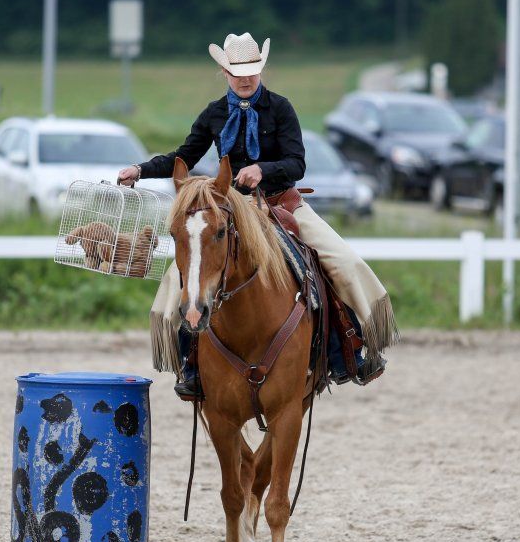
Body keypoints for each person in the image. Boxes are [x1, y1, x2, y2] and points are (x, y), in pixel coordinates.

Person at [117, 33, 398, 399]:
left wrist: (263, 170)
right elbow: (184, 154)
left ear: (261, 69)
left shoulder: (281, 108)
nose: (246, 78)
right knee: (179, 280)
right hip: (232, 208)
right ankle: (190, 364)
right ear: (224, 71)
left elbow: (297, 162)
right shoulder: (214, 113)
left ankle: (349, 351)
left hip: (282, 203)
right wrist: (140, 169)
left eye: (252, 70)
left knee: (342, 261)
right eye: (237, 71)